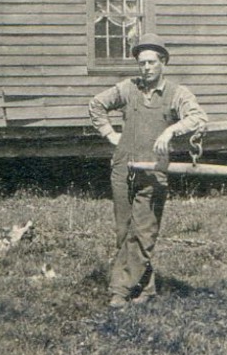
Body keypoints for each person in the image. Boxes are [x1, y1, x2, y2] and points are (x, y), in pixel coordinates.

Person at [88, 34, 208, 309]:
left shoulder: (177, 93)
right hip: (122, 167)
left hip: (153, 171)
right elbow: (96, 104)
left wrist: (171, 129)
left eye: (152, 62)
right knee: (124, 231)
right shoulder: (128, 88)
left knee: (143, 232)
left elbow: (199, 117)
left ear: (163, 62)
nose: (146, 68)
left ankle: (119, 290)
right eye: (142, 63)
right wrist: (110, 134)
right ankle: (147, 288)